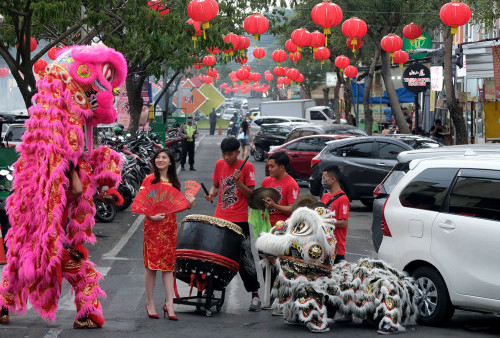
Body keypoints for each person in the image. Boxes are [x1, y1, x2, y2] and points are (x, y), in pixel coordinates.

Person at [204, 137, 261, 311]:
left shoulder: (247, 167)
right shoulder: (220, 164)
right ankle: (213, 291)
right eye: (224, 154)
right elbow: (216, 185)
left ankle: (255, 295)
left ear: (238, 152)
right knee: (216, 257)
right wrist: (212, 195)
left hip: (239, 220)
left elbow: (251, 194)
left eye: (230, 154)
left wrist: (238, 182)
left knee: (245, 258)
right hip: (220, 217)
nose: (227, 157)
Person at [141, 149, 195, 320]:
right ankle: (150, 302)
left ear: (171, 162)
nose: (160, 159)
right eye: (158, 157)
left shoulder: (173, 181)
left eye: (164, 157)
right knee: (151, 266)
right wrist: (151, 215)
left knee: (168, 266)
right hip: (153, 226)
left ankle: (169, 304)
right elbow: (142, 202)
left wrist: (189, 203)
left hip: (169, 227)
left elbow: (177, 205)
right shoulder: (150, 179)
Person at [320, 167, 350, 264]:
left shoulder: (343, 199)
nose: (322, 181)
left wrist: (327, 221)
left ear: (332, 179)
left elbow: (344, 223)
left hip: (336, 249)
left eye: (324, 178)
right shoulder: (325, 196)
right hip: (323, 246)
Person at [261, 151, 299, 227]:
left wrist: (275, 206)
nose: (269, 169)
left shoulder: (291, 184)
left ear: (282, 167)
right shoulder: (266, 181)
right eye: (269, 166)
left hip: (281, 228)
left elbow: (293, 209)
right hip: (265, 225)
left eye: (272, 166)